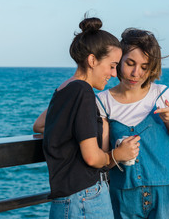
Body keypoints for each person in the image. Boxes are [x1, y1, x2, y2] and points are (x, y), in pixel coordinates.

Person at [42, 17, 140, 219]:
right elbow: (92, 157)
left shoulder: (64, 88)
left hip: (66, 199)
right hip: (85, 198)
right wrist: (118, 154)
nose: (114, 73)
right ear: (92, 60)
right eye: (112, 65)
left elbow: (39, 125)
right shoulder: (84, 92)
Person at [95, 28, 169, 219]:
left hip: (168, 191)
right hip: (124, 195)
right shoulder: (103, 101)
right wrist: (117, 154)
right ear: (119, 60)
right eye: (130, 63)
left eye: (144, 67)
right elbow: (104, 158)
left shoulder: (162, 95)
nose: (135, 73)